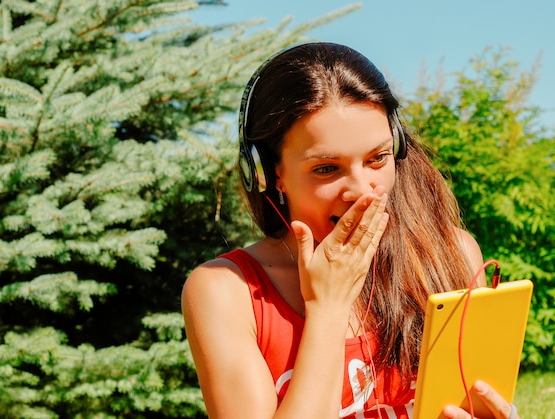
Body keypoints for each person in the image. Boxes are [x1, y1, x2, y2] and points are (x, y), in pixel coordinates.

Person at [182, 42, 519, 419]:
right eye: (326, 168)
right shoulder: (227, 292)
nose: (362, 190)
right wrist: (328, 307)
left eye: (378, 158)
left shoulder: (448, 254)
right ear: (269, 174)